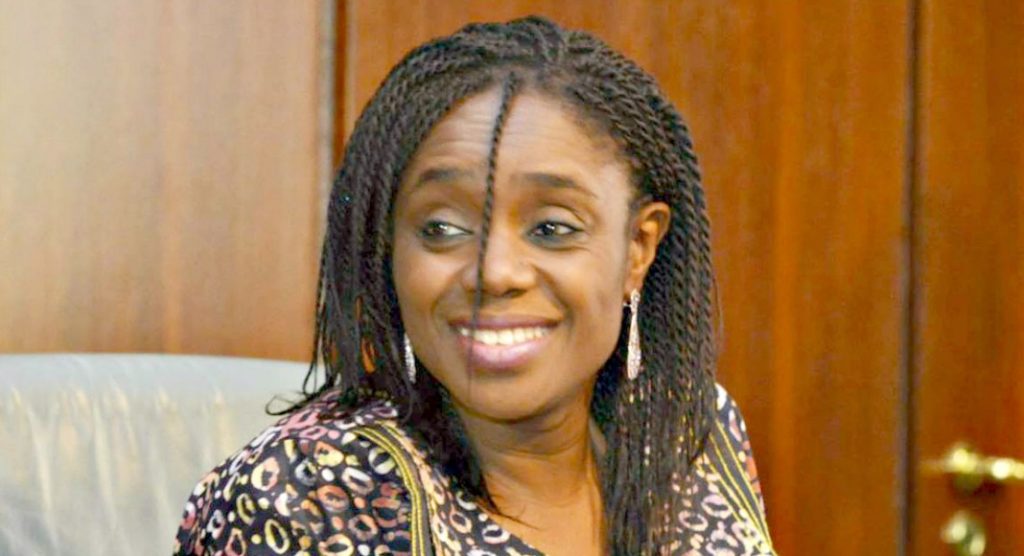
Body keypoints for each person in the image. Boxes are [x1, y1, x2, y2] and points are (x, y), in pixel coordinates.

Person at [174, 16, 774, 556]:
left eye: (552, 228)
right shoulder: (304, 497)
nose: (494, 273)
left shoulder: (687, 431)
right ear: (389, 249)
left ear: (638, 248)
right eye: (442, 228)